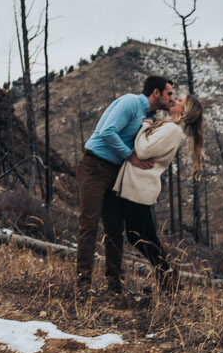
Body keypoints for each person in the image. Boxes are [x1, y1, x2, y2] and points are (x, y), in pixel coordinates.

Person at [76, 75, 174, 294]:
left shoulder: (148, 115)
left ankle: (114, 284)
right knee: (89, 224)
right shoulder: (131, 103)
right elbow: (107, 131)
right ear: (156, 93)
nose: (171, 98)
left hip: (114, 172)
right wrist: (130, 155)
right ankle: (83, 284)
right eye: (169, 93)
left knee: (114, 229)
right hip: (94, 167)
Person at [113, 94, 204, 293]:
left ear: (185, 110)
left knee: (135, 235)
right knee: (148, 236)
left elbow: (143, 151)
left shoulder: (172, 129)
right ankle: (168, 279)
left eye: (179, 100)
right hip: (141, 186)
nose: (174, 100)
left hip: (139, 187)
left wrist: (145, 125)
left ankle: (167, 275)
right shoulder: (170, 127)